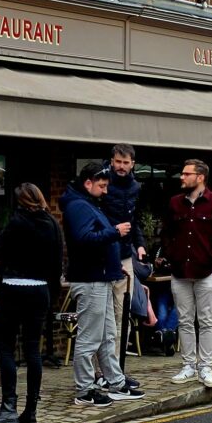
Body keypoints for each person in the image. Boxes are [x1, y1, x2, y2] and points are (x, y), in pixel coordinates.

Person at [60, 162, 146, 407]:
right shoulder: (78, 206)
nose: (106, 191)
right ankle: (84, 390)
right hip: (90, 280)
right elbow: (84, 239)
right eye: (102, 185)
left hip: (102, 276)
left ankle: (114, 382)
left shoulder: (87, 203)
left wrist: (113, 266)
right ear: (88, 183)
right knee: (90, 338)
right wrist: (115, 232)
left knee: (108, 335)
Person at [0, 183, 63, 423]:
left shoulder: (17, 222)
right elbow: (58, 263)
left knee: (6, 347)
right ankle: (31, 411)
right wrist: (52, 295)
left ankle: (8, 408)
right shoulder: (52, 224)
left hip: (13, 288)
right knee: (32, 350)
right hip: (40, 290)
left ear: (20, 202)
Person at [159, 159, 212, 388]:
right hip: (180, 272)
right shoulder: (175, 203)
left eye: (186, 174)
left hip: (207, 272)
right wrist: (172, 254)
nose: (182, 177)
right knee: (184, 320)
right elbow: (166, 233)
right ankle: (188, 366)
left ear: (200, 177)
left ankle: (206, 367)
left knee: (206, 320)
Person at [96, 143, 146, 388]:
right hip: (103, 254)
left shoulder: (136, 187)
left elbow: (134, 220)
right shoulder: (102, 183)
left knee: (122, 315)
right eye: (118, 162)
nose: (122, 167)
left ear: (133, 164)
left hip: (125, 255)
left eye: (126, 163)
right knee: (102, 317)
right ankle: (99, 372)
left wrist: (140, 244)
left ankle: (116, 371)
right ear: (111, 161)